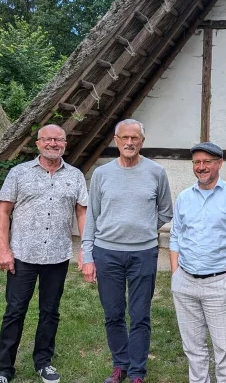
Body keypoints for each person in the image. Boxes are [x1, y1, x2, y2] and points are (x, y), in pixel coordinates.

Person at [0, 124, 88, 383]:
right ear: (38, 143)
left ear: (65, 144)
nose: (53, 144)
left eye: (59, 140)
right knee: (14, 311)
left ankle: (43, 362)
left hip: (57, 256)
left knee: (50, 312)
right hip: (22, 256)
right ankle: (4, 370)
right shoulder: (19, 173)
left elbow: (82, 212)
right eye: (48, 139)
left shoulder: (76, 176)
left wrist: (85, 250)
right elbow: (2, 212)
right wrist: (4, 249)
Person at [81, 119, 173, 383]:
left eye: (135, 138)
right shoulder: (101, 174)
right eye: (125, 138)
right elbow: (93, 218)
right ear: (116, 140)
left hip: (143, 254)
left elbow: (166, 210)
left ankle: (136, 372)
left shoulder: (156, 172)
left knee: (140, 315)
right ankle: (120, 365)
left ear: (142, 141)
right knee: (113, 313)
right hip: (106, 253)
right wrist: (88, 256)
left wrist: (144, 228)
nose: (130, 143)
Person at [169, 141, 226, 383]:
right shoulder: (185, 197)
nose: (201, 167)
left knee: (224, 350)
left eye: (207, 162)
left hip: (220, 283)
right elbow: (176, 236)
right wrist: (176, 274)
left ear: (220, 163)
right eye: (197, 162)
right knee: (193, 349)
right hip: (185, 282)